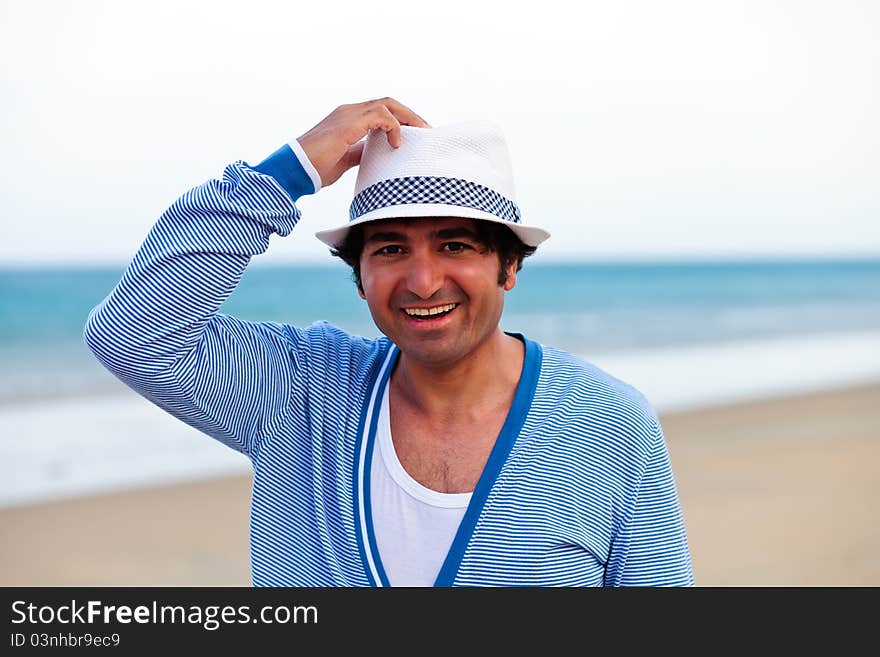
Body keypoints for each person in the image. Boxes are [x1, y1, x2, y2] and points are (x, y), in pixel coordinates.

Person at [84, 97, 694, 587]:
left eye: (456, 245)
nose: (423, 281)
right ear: (360, 277)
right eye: (391, 249)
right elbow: (132, 334)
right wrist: (285, 174)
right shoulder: (303, 393)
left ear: (509, 266)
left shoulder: (609, 423)